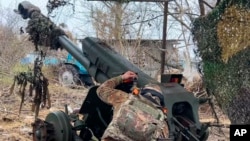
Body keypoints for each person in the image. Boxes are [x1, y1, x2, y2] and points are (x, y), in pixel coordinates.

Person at [96, 71, 169, 141]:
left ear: (142, 91)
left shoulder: (125, 98)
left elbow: (101, 90)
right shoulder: (162, 122)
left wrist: (121, 78)